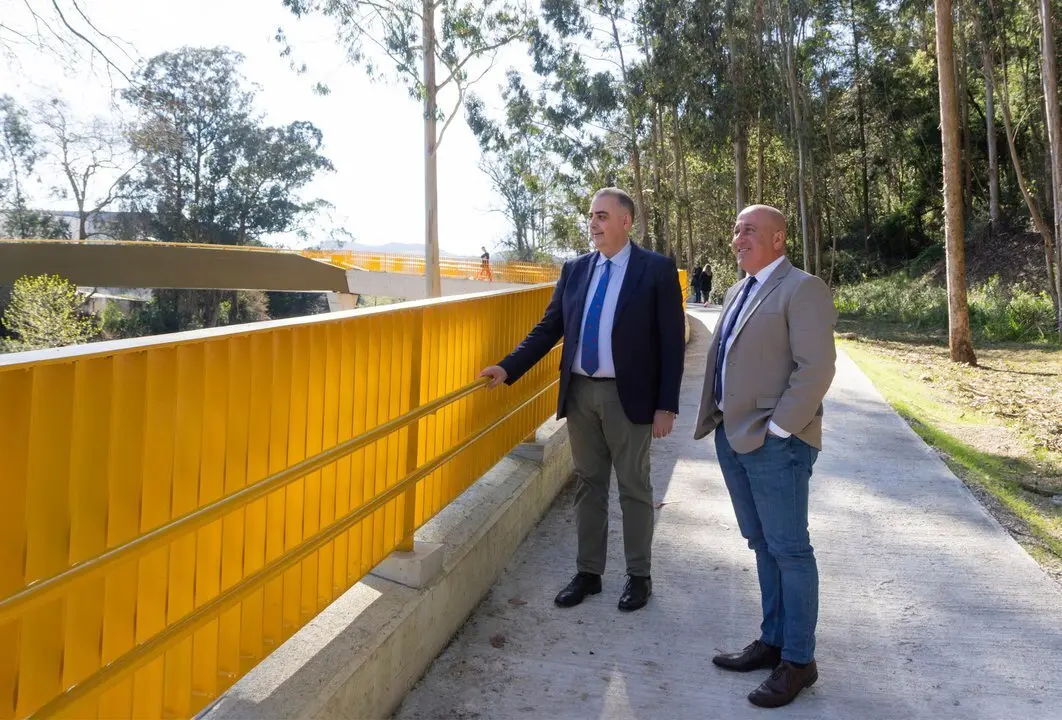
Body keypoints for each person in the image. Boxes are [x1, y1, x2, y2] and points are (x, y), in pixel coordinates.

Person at [480, 187, 685, 612]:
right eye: (592, 215)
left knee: (634, 486)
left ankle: (638, 576)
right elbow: (548, 328)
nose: (593, 222)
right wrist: (508, 366)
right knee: (589, 485)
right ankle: (589, 573)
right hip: (579, 393)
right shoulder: (575, 270)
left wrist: (667, 405)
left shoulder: (656, 270)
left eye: (603, 216)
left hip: (630, 397)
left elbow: (670, 344)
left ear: (626, 222)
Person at [693, 205, 837, 709]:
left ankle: (799, 662)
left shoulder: (803, 288)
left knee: (790, 550)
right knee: (762, 545)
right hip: (732, 438)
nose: (738, 238)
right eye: (735, 230)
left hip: (776, 443)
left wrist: (778, 428)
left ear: (779, 238)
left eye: (749, 230)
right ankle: (773, 641)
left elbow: (816, 367)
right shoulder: (738, 290)